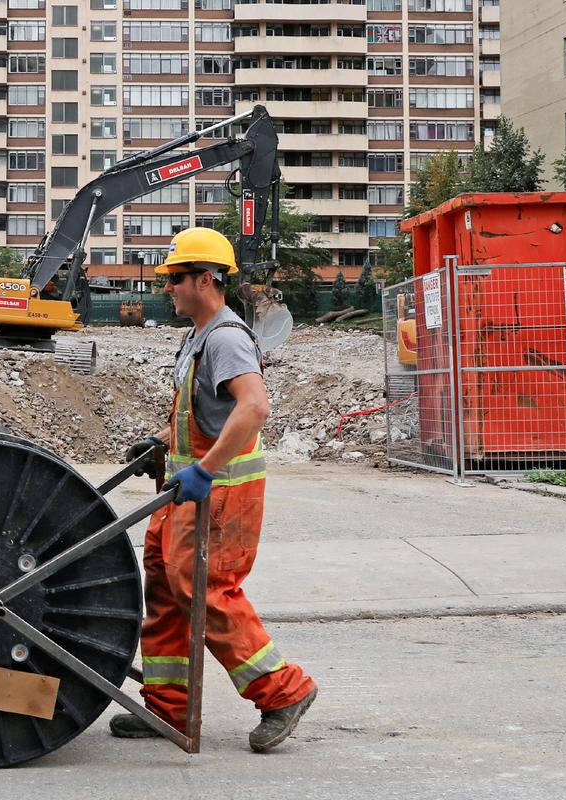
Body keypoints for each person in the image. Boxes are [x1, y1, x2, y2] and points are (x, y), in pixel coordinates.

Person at [110, 227, 317, 752]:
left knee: (203, 588)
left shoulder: (225, 337)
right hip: (189, 492)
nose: (168, 288)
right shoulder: (199, 337)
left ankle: (283, 691)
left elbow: (254, 407)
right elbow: (206, 413)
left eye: (176, 279)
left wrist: (203, 470)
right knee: (163, 586)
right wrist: (160, 442)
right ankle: (168, 706)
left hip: (219, 493)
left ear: (206, 279)